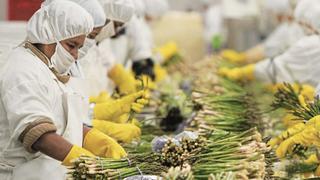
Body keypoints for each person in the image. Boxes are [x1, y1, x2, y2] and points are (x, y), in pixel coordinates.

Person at [0, 1, 126, 179]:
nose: (75, 56)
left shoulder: (47, 69)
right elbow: (37, 133)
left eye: (79, 48)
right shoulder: (23, 70)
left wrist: (92, 137)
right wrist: (84, 161)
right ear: (48, 35)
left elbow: (60, 122)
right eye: (71, 45)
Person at [219, 0, 320, 87]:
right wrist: (243, 58)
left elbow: (276, 66)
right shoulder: (301, 34)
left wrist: (242, 72)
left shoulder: (310, 42)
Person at [221, 0, 305, 64]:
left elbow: (267, 50)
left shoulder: (291, 30)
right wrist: (242, 57)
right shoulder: (285, 27)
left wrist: (242, 58)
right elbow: (266, 46)